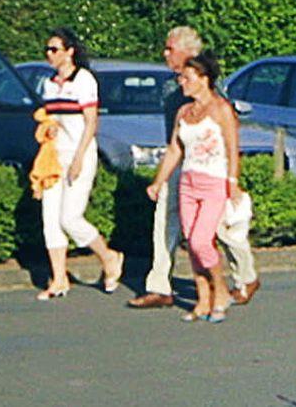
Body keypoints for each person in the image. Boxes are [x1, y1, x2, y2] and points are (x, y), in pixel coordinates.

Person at [130, 26, 259, 310]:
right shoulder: (170, 87)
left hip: (210, 169)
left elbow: (226, 131)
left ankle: (245, 276)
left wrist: (231, 179)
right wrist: (160, 177)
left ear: (188, 51)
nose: (165, 54)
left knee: (219, 230)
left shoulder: (208, 83)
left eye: (170, 48)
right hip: (181, 162)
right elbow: (174, 139)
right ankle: (160, 286)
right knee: (165, 220)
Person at [33, 27, 124, 300]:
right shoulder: (48, 84)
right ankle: (59, 279)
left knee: (70, 218)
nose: (49, 54)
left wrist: (79, 158)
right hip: (54, 157)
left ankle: (108, 256)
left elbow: (91, 122)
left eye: (54, 49)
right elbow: (51, 117)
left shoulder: (84, 80)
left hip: (79, 154)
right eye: (47, 49)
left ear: (69, 51)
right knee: (50, 219)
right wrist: (48, 128)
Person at [148, 49, 239, 322]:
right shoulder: (184, 112)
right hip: (188, 182)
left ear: (204, 78)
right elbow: (174, 149)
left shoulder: (221, 109)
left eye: (187, 78)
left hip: (213, 183)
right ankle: (203, 299)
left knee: (201, 241)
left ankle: (220, 289)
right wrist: (158, 181)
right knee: (191, 242)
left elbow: (233, 149)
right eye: (181, 78)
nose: (182, 83)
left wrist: (232, 182)